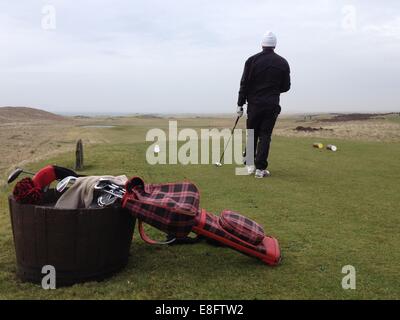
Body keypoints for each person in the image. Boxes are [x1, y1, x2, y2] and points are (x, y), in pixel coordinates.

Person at [237, 31, 291, 178]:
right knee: (265, 135)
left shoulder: (251, 61)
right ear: (275, 45)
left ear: (262, 44)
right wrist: (273, 90)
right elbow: (286, 87)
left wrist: (240, 104)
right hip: (272, 105)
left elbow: (244, 84)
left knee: (252, 134)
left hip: (254, 104)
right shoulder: (283, 62)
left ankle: (249, 166)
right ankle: (260, 169)